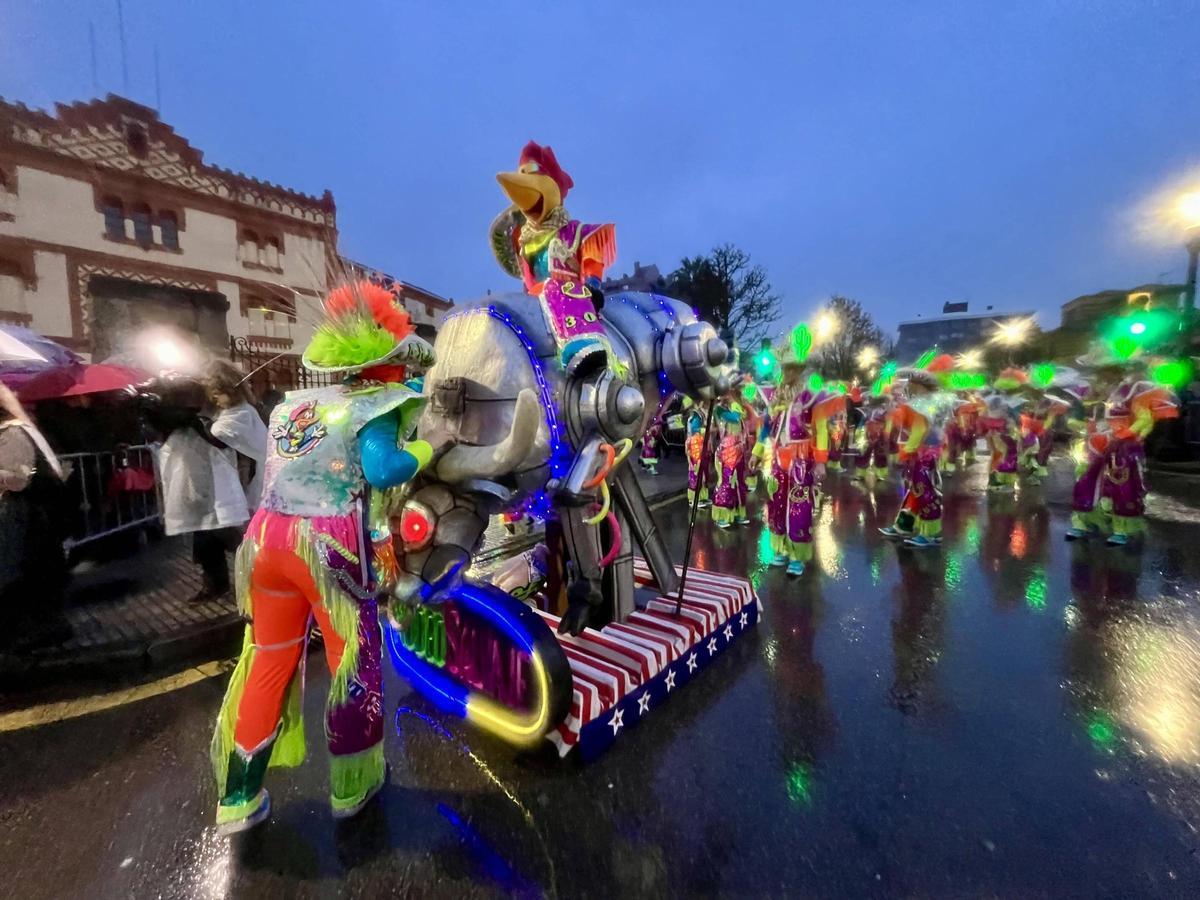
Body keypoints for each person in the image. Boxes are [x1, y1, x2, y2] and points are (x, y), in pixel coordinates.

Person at [210, 279, 435, 835]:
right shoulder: (381, 404)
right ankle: (353, 786)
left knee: (268, 662)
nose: (408, 375)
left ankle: (239, 798)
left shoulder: (296, 403)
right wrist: (426, 450)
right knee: (351, 664)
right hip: (326, 548)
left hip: (267, 544)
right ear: (388, 364)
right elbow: (382, 469)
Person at [0, 385, 71, 649]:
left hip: (29, 517)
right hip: (29, 517)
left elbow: (18, 478)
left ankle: (41, 630)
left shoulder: (13, 433)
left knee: (28, 572)